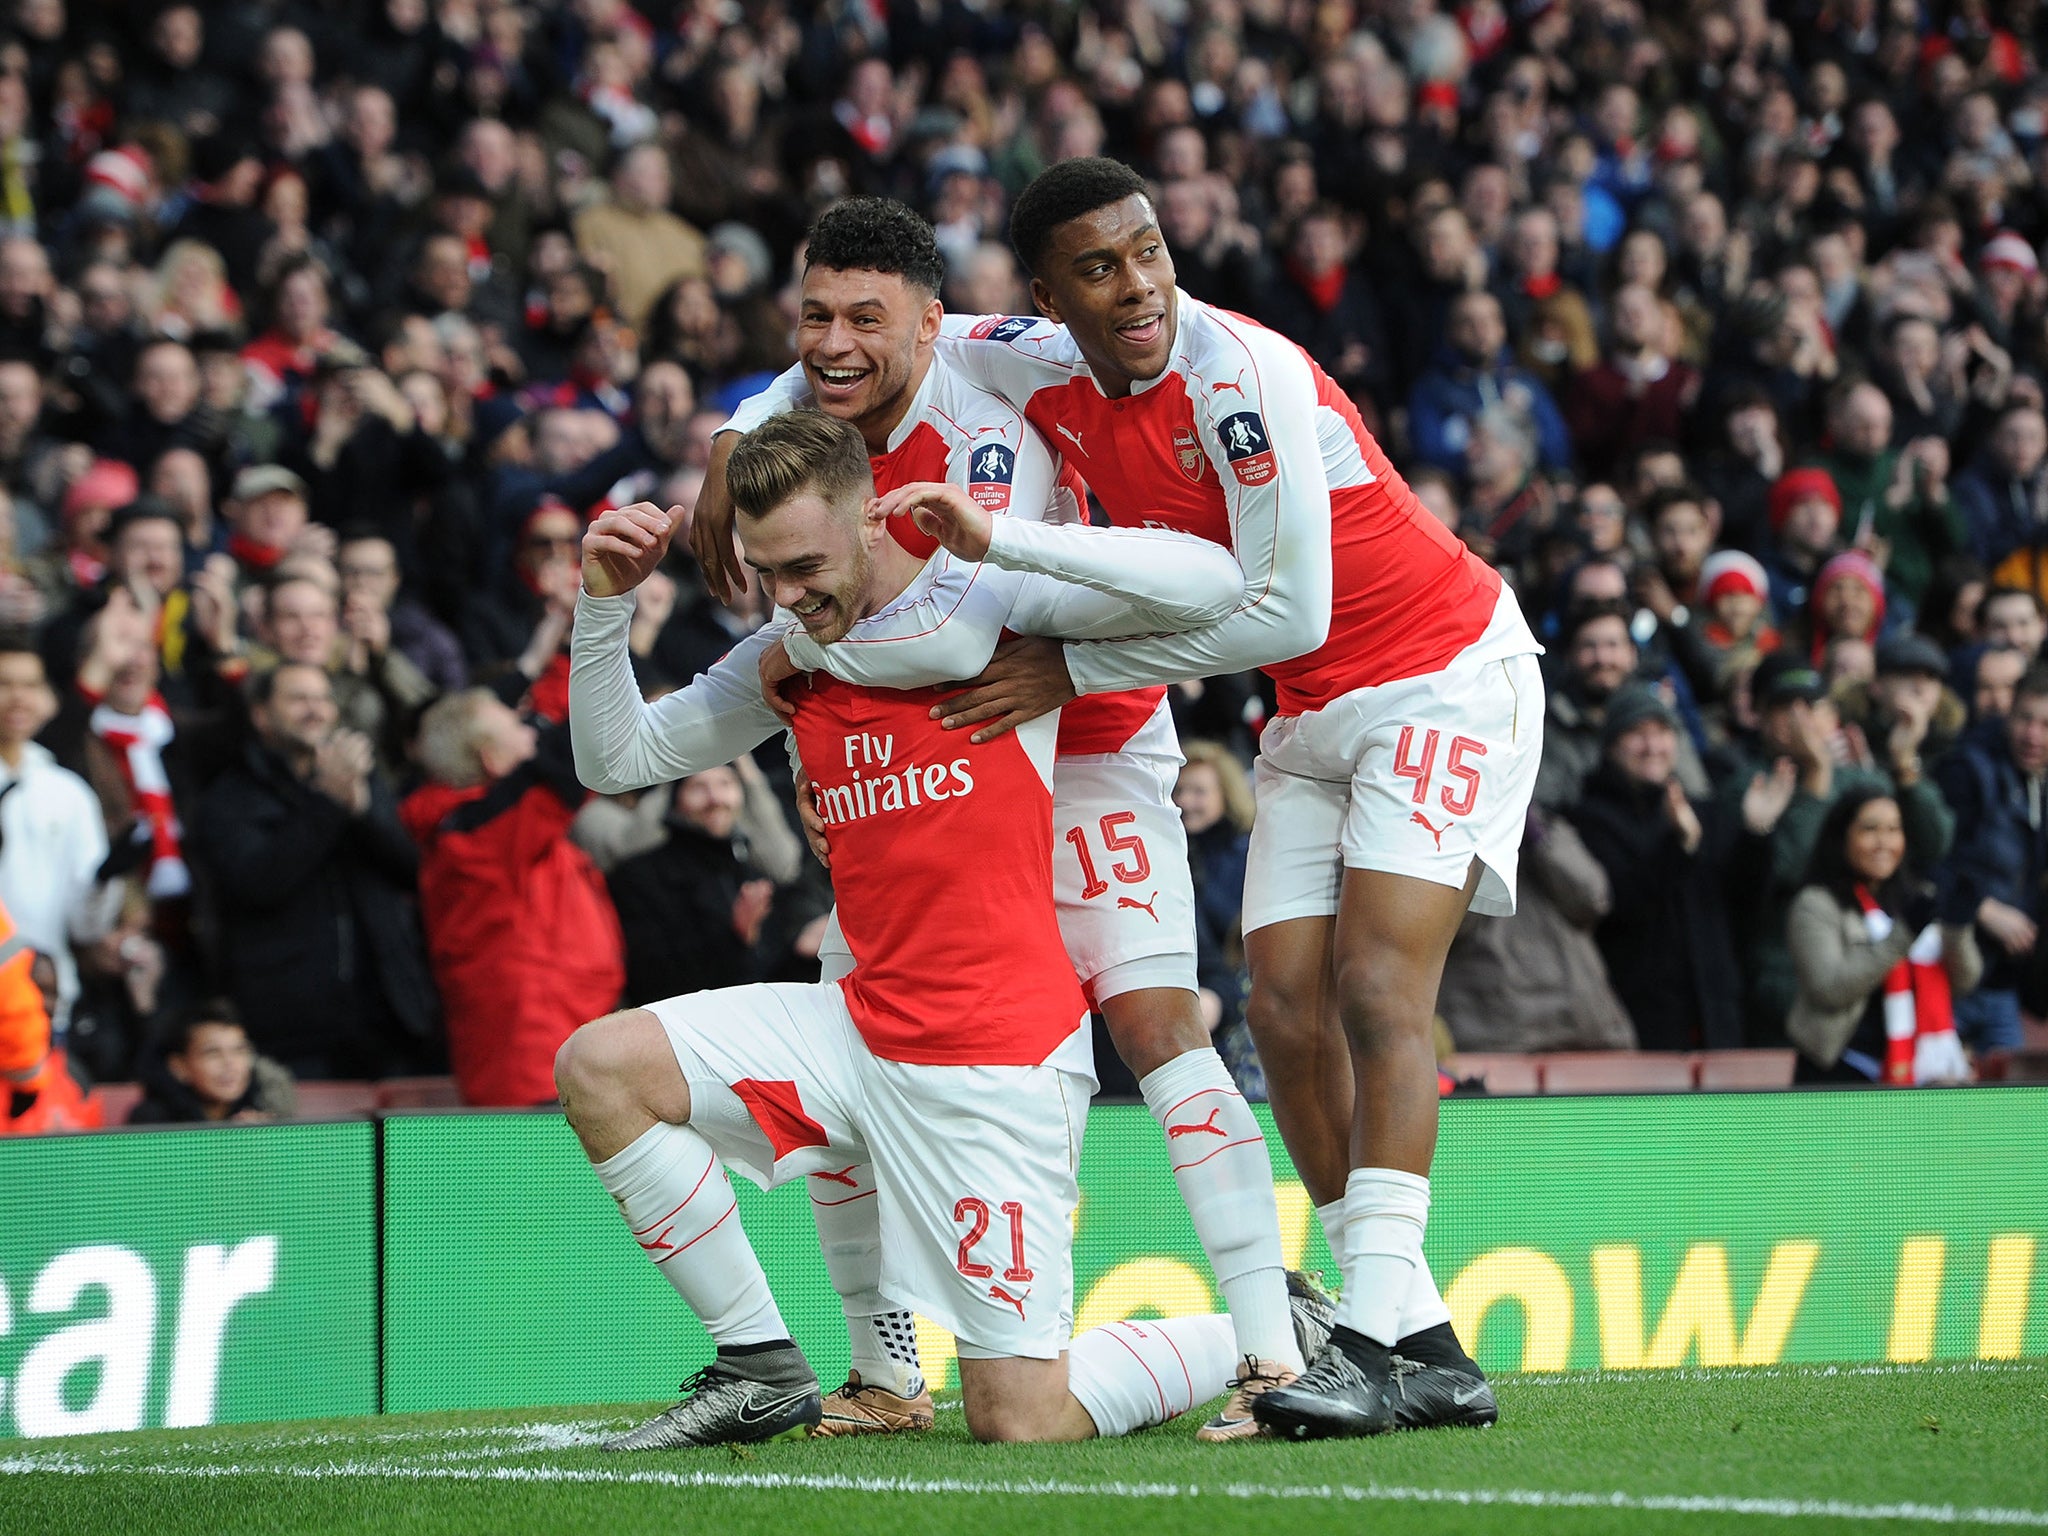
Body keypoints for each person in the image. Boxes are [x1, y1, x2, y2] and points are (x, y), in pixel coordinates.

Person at [696, 161, 1542, 1437]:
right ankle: (1395, 1330)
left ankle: (1332, 1340)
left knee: (1346, 992)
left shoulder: (1237, 375)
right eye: (1097, 266)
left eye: (1146, 250)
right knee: (1285, 1014)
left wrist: (1062, 653)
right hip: (1287, 715)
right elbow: (830, 352)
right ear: (1046, 299)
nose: (1136, 282)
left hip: (1425, 671)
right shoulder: (1013, 362)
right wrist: (729, 446)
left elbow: (1282, 608)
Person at [561, 418, 1310, 1450]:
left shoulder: (987, 602)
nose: (787, 594)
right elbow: (615, 760)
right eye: (765, 571)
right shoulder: (793, 654)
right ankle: (759, 1365)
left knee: (1020, 1418)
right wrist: (601, 607)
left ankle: (1275, 1323)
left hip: (995, 1061)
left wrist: (1017, 560)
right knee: (601, 1066)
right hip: (856, 1029)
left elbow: (1210, 581)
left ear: (872, 521)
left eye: (806, 567)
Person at [709, 198, 1306, 1440]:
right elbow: (796, 379)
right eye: (814, 315)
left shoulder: (1002, 367)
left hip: (1076, 725)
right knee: (850, 1029)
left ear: (932, 324)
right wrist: (730, 434)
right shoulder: (798, 417)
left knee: (1155, 1021)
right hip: (932, 759)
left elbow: (1155, 344)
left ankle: (1269, 1342)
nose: (833, 344)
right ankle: (883, 1373)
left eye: (865, 319)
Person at [189, 662, 438, 1078]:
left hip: (391, 1020)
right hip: (293, 1032)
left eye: (323, 699)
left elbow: (414, 871)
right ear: (261, 715)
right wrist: (327, 802)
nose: (316, 710)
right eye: (298, 699)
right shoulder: (229, 799)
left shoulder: (360, 780)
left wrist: (360, 810)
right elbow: (259, 882)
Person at [402, 688, 623, 1108]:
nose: (533, 734)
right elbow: (565, 765)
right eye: (519, 728)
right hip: (533, 1062)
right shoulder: (476, 835)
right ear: (489, 758)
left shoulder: (485, 828)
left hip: (563, 1045)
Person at [1566, 686, 1793, 1051]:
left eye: (1662, 732)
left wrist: (1756, 833)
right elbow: (1619, 904)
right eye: (1637, 733)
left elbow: (1745, 903)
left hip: (1716, 1014)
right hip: (1639, 1019)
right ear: (1611, 745)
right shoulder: (1588, 820)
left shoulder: (1703, 810)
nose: (1652, 746)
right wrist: (1680, 847)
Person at [1785, 789, 1978, 1085]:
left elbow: (1963, 981)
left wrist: (1957, 928)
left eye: (1893, 829)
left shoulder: (1916, 896)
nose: (1884, 843)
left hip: (1919, 1073)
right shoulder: (1815, 903)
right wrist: (1902, 936)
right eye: (1870, 829)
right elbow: (1828, 987)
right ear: (1841, 837)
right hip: (1841, 1072)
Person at [1436, 804, 1636, 1054]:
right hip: (1499, 1035)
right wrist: (1483, 844)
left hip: (1586, 1028)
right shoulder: (1444, 832)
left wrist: (1540, 839)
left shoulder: (1548, 825)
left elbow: (1594, 898)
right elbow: (1449, 925)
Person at [1932, 666, 2048, 1075]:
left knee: (2012, 1121)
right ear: (2006, 716)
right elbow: (1928, 861)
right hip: (1946, 977)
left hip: (2003, 984)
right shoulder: (1968, 772)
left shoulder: (2038, 784)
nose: (2033, 734)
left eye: (2046, 724)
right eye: (2024, 719)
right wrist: (1983, 908)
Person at [0, 637, 110, 1028]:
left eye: (30, 685)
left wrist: (104, 880)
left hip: (45, 1004)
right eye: (4, 683)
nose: (17, 698)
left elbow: (86, 925)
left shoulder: (67, 792)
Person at [127, 999, 298, 1123]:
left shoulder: (268, 1112)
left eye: (239, 1051)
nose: (229, 1064)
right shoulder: (152, 1121)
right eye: (213, 1053)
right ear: (179, 1067)